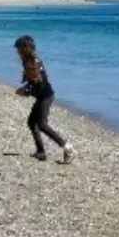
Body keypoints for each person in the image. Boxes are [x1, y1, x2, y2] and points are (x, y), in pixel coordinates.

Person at [14, 36, 74, 164]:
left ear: (26, 48)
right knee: (31, 122)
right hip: (41, 96)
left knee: (42, 125)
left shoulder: (34, 62)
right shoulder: (27, 61)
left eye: (19, 49)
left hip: (46, 96)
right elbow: (32, 82)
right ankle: (41, 152)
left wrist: (26, 91)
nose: (17, 52)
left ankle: (67, 148)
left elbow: (38, 82)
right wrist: (27, 88)